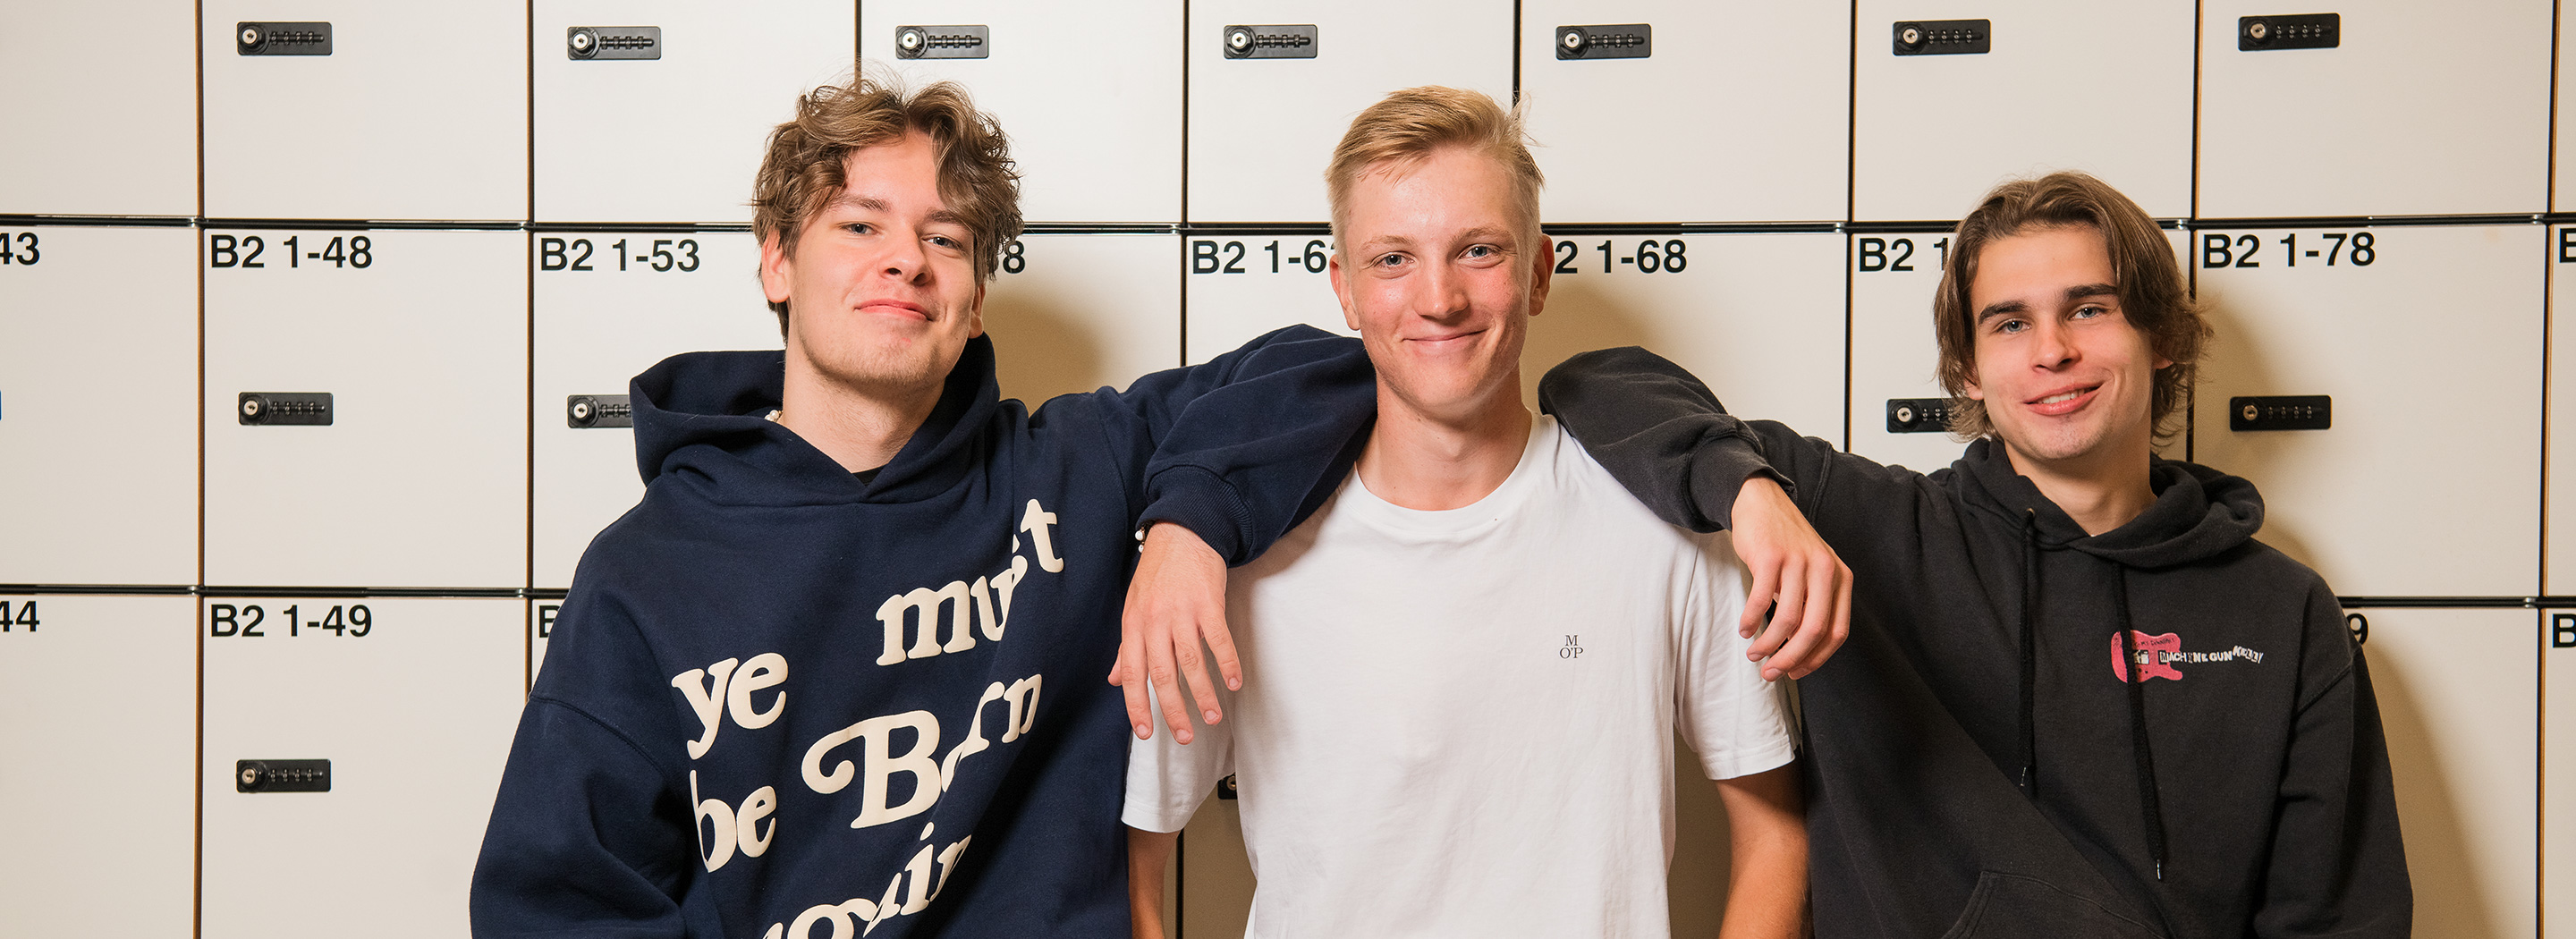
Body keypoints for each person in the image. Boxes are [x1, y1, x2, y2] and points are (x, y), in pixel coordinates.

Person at [467, 78, 1384, 938]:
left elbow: (1336, 367)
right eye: (860, 225)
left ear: (975, 301)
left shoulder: (1076, 468)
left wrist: (1189, 527)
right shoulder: (647, 570)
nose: (906, 259)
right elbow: (554, 904)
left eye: (945, 240)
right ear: (778, 263)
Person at [1538, 172, 2411, 937]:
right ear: (1967, 370)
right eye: (2009, 323)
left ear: (2164, 339)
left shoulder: (2280, 610)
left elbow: (2340, 919)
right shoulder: (1874, 526)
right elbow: (1593, 383)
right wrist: (1750, 494)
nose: (2052, 351)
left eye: (2090, 309)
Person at [1122, 87, 1809, 939]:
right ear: (1344, 289)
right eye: (1392, 259)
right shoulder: (1233, 560)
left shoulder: (1665, 527)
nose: (1439, 298)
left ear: (1539, 273)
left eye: (1478, 250)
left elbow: (1775, 831)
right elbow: (1135, 863)